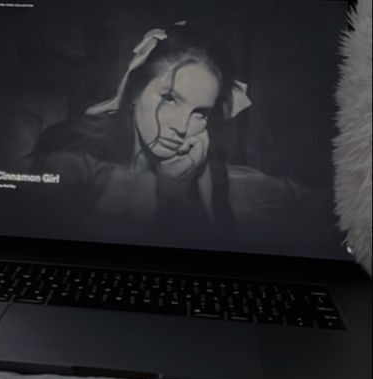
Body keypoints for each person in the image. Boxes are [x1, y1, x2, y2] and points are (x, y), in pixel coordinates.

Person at [33, 22, 251, 247]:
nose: (182, 127)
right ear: (135, 91)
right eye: (169, 98)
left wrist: (178, 194)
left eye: (200, 113)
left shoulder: (207, 163)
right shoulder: (72, 147)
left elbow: (221, 256)